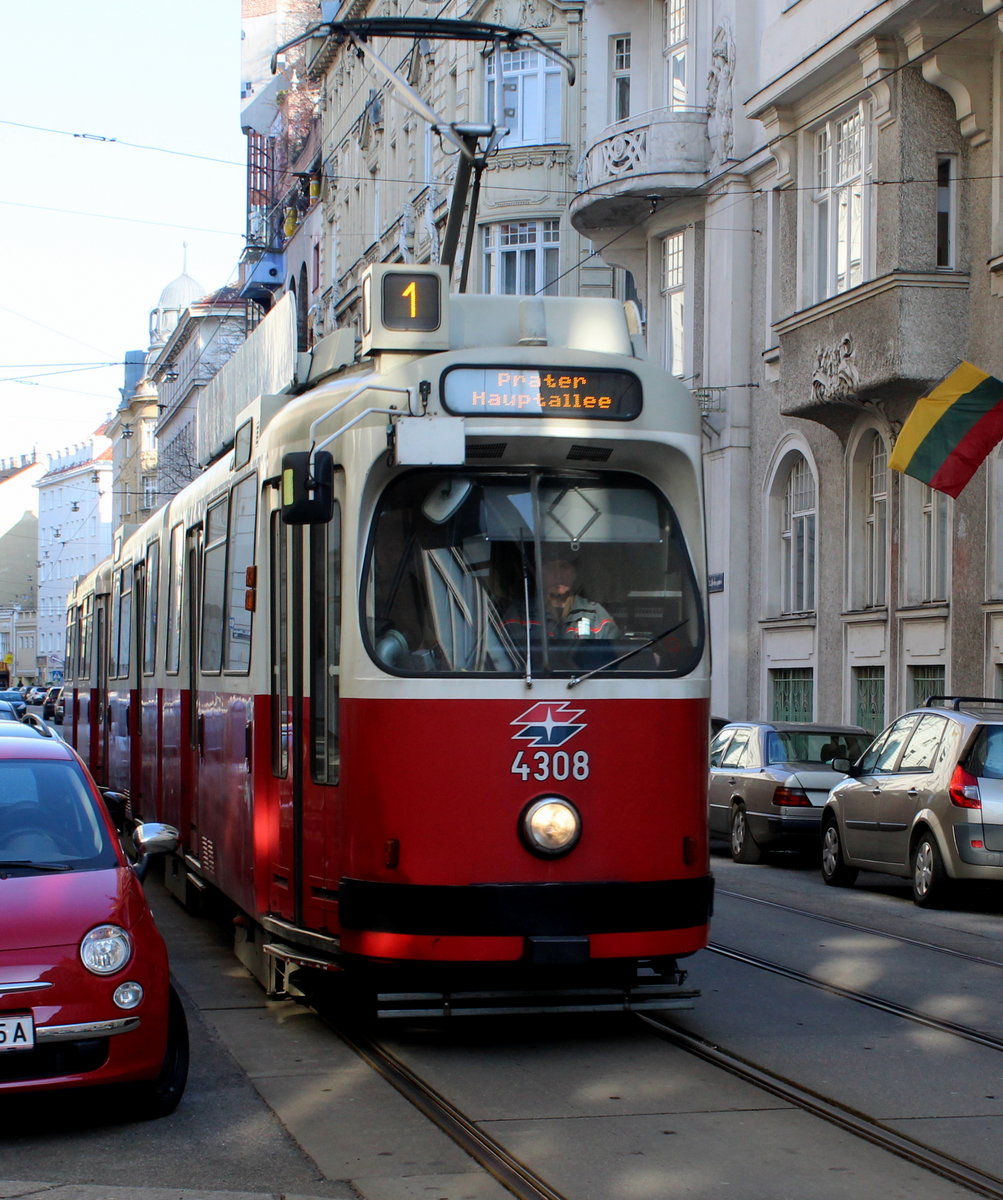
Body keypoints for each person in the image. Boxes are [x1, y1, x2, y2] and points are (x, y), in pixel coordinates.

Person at [505, 551, 619, 641]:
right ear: (540, 574)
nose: (558, 575)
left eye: (564, 567)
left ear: (574, 574)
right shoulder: (520, 614)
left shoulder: (595, 614)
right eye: (551, 568)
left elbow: (615, 654)